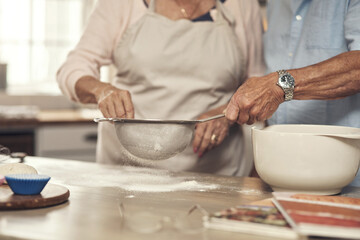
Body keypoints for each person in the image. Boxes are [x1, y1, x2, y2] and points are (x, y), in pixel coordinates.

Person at [57, 0, 264, 176]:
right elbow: (73, 68)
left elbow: (258, 83)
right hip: (125, 176)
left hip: (215, 174)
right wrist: (102, 91)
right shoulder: (121, 4)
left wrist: (226, 113)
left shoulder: (242, 5)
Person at [225, 0, 360, 182]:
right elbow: (272, 103)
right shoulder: (276, 4)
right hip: (280, 171)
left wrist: (279, 86)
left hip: (345, 174)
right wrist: (260, 167)